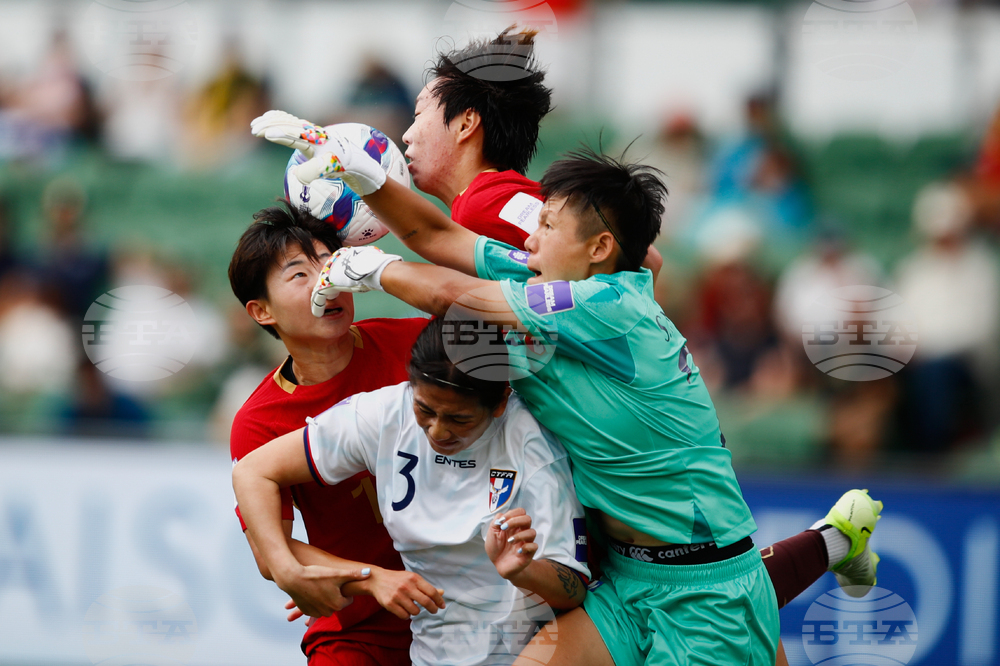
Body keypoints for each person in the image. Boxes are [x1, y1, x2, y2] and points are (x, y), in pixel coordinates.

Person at [296, 140, 884, 665]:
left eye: (547, 224)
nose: (529, 236)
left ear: (600, 247)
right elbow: (438, 238)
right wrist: (359, 171)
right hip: (627, 579)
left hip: (703, 589)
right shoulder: (553, 281)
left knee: (747, 597)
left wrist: (371, 269)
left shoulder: (612, 308)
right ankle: (839, 536)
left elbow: (459, 294)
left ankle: (839, 536)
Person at [233, 317, 591, 666]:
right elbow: (252, 471)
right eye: (425, 410)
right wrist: (289, 573)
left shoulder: (532, 445)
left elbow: (573, 588)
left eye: (459, 419)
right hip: (429, 652)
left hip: (522, 653)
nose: (437, 431)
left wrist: (521, 571)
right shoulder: (384, 413)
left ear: (500, 403)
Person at [228, 200, 426, 665]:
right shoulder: (258, 421)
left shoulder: (419, 342)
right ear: (261, 312)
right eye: (299, 274)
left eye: (330, 264)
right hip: (358, 626)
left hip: (471, 604)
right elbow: (270, 550)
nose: (325, 281)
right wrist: (371, 577)